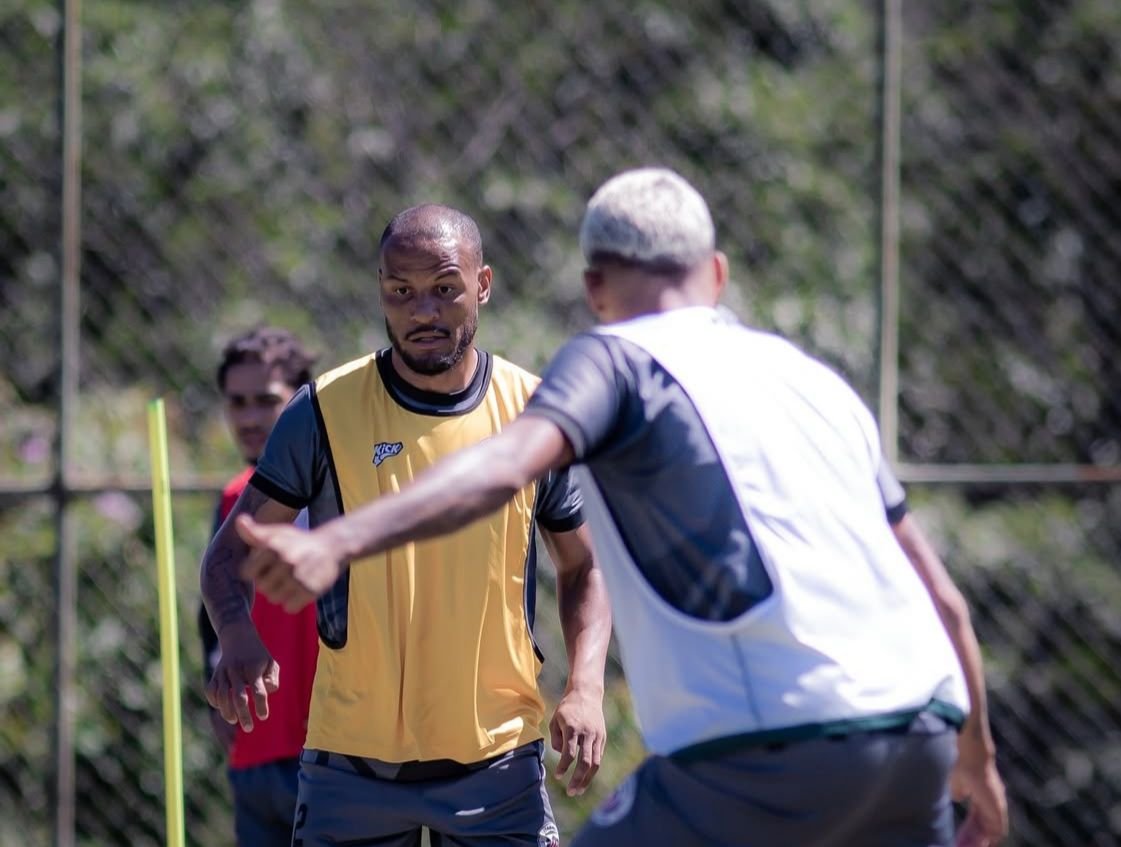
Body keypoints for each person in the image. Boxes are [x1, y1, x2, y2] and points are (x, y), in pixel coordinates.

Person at [233, 168, 1010, 847]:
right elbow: (942, 599)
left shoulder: (612, 360)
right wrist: (975, 755)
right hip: (920, 736)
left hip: (767, 744)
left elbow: (503, 464)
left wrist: (341, 540)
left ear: (594, 288)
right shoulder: (813, 381)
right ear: (715, 272)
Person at [200, 204, 612, 847]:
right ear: (381, 292)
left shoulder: (532, 413)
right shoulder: (323, 413)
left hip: (497, 766)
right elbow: (226, 556)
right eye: (401, 291)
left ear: (482, 284)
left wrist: (585, 686)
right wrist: (237, 634)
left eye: (444, 288)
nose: (422, 311)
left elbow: (583, 566)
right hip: (350, 770)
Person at [197, 326, 320, 846]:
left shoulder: (332, 487)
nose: (249, 418)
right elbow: (210, 616)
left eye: (265, 401)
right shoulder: (231, 498)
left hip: (331, 752)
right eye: (237, 403)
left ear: (300, 400)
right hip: (254, 747)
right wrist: (213, 684)